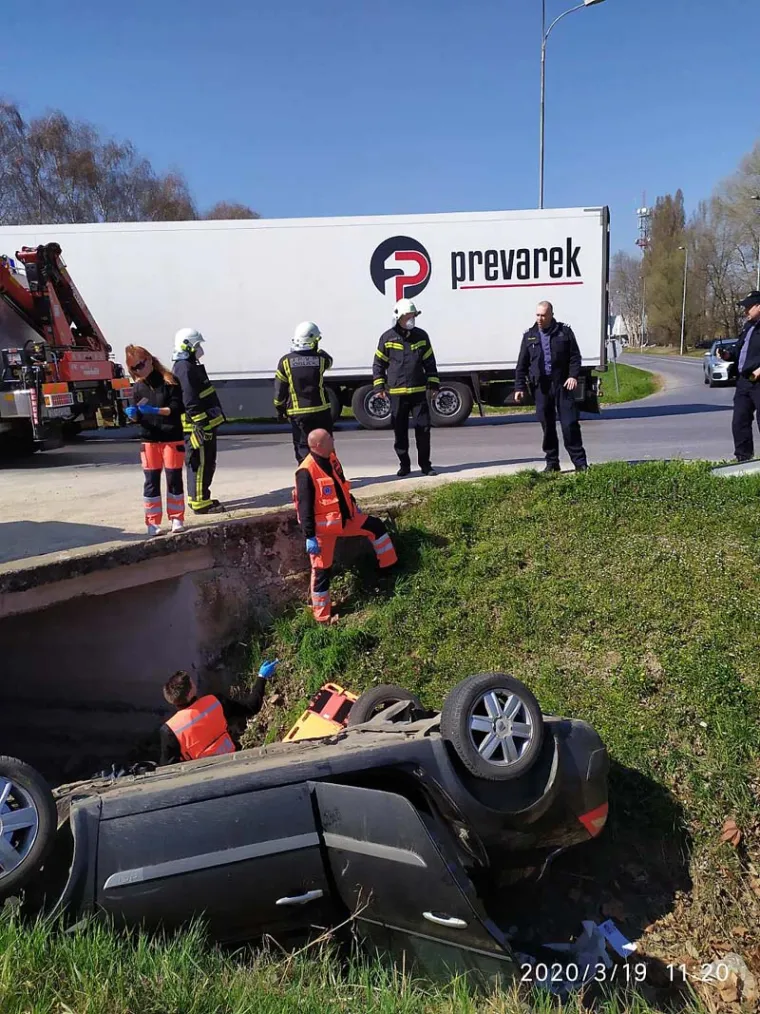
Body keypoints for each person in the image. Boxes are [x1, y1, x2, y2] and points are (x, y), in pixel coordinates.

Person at [294, 428, 397, 623]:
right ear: (318, 446)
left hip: (345, 520)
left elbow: (341, 485)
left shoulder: (331, 458)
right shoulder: (305, 471)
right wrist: (309, 535)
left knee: (376, 527)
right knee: (321, 571)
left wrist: (353, 504)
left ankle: (389, 570)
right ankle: (322, 617)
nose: (333, 440)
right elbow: (304, 507)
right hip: (322, 531)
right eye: (329, 439)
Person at [515, 301, 588, 472]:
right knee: (547, 425)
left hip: (562, 385)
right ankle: (552, 463)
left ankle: (580, 463)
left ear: (551, 315)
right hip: (541, 387)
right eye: (537, 315)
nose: (540, 319)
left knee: (569, 424)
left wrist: (573, 376)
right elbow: (521, 364)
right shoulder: (529, 336)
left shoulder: (564, 332)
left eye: (543, 315)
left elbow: (575, 357)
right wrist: (519, 387)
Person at [159, 660, 278, 765]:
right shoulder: (215, 703)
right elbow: (252, 706)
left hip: (203, 776)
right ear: (191, 692)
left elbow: (169, 768)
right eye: (192, 682)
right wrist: (262, 677)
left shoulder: (169, 731)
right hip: (235, 761)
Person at [372, 298, 439, 477]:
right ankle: (404, 465)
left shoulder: (421, 336)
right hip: (396, 393)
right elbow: (379, 364)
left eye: (413, 316)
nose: (411, 319)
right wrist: (379, 386)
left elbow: (430, 362)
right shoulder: (387, 338)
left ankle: (425, 465)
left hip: (418, 393)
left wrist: (433, 384)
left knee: (423, 430)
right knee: (400, 432)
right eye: (408, 316)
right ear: (399, 317)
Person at [124, 345, 186, 537]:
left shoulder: (169, 381)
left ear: (150, 360)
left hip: (171, 437)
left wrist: (155, 410)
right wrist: (133, 415)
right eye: (134, 368)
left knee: (173, 478)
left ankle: (177, 517)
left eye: (140, 365)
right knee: (151, 481)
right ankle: (152, 522)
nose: (138, 370)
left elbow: (176, 409)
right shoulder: (138, 386)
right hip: (149, 439)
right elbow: (136, 417)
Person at [172, 327, 226, 514]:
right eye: (197, 345)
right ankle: (201, 502)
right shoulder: (185, 368)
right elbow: (190, 399)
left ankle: (197, 496)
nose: (200, 349)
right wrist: (202, 424)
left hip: (201, 423)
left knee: (203, 462)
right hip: (198, 426)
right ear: (187, 345)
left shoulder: (188, 365)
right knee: (201, 463)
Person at [273, 321, 335, 463]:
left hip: (299, 413)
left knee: (303, 447)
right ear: (314, 340)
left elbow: (279, 390)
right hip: (321, 411)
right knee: (325, 444)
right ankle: (331, 476)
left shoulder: (285, 362)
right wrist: (317, 348)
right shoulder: (320, 360)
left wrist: (279, 409)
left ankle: (308, 477)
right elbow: (329, 360)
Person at [718, 291, 760, 462]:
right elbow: (740, 350)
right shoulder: (748, 326)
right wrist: (728, 355)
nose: (745, 311)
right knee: (740, 421)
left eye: (748, 307)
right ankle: (743, 459)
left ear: (759, 306)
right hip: (744, 381)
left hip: (758, 380)